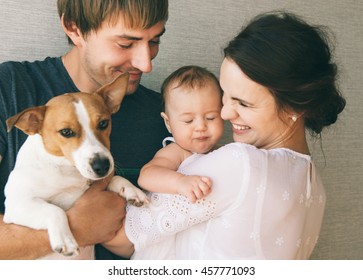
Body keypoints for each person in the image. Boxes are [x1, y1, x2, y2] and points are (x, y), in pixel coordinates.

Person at [103, 11, 346, 259]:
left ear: (295, 107)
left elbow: (125, 239)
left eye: (243, 103)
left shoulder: (240, 164)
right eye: (225, 97)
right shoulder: (314, 186)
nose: (226, 113)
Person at [0, 0, 170, 260]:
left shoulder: (167, 115)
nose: (145, 64)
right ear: (74, 28)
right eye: (125, 44)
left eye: (155, 41)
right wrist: (78, 229)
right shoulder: (9, 89)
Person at [138, 65, 224, 203]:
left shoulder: (223, 152)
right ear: (168, 123)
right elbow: (146, 176)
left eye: (211, 117)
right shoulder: (176, 152)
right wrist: (180, 182)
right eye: (188, 121)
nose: (201, 127)